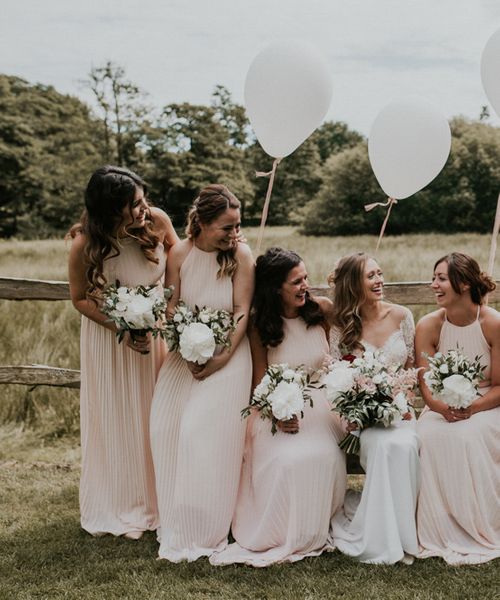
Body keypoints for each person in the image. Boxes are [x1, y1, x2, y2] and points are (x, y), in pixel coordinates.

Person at [209, 247, 346, 567]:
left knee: (321, 456)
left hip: (322, 406)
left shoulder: (322, 310)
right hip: (277, 409)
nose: (304, 287)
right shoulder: (260, 326)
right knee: (286, 461)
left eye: (305, 279)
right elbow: (260, 380)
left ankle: (313, 525)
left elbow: (340, 358)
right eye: (296, 282)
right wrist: (277, 412)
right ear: (275, 288)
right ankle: (282, 529)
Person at [68, 165, 179, 538]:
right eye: (133, 204)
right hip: (110, 341)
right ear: (109, 208)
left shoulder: (158, 222)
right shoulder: (86, 243)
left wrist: (163, 314)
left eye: (143, 198)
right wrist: (125, 326)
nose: (143, 208)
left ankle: (160, 497)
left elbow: (180, 262)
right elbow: (80, 299)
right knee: (118, 417)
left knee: (155, 415)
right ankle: (121, 499)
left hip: (155, 336)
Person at [150, 184, 254, 562]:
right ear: (202, 224)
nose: (234, 234)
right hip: (184, 355)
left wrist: (221, 357)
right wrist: (186, 339)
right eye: (226, 227)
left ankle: (204, 525)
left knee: (197, 431)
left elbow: (242, 310)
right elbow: (171, 306)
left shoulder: (241, 255)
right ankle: (175, 515)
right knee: (164, 428)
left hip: (229, 355)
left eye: (237, 226)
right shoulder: (179, 253)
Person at [328, 252, 420, 564]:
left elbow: (411, 370)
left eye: (379, 273)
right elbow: (337, 377)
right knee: (383, 447)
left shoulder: (402, 315)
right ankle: (384, 535)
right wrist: (359, 409)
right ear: (354, 284)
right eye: (370, 276)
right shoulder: (342, 326)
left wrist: (397, 400)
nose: (379, 280)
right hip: (362, 418)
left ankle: (405, 531)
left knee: (404, 443)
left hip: (400, 410)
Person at [416, 252, 500, 565]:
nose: (433, 284)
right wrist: (443, 407)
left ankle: (478, 522)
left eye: (440, 278)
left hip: (486, 406)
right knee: (428, 435)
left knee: (468, 437)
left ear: (463, 283)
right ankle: (440, 526)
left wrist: (473, 408)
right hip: (442, 406)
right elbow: (426, 388)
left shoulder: (492, 323)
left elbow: (499, 387)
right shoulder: (428, 325)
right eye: (434, 277)